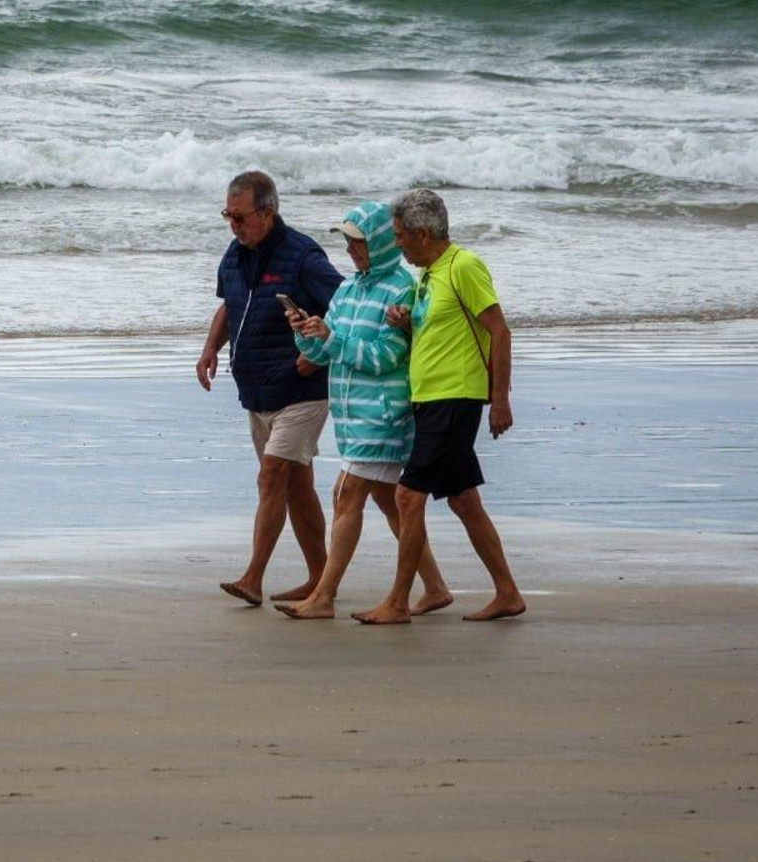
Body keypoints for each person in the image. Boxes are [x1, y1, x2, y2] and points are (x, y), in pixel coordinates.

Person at [275, 200, 453, 622]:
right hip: (351, 416)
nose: (352, 251)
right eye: (348, 243)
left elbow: (388, 356)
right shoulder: (348, 288)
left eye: (359, 242)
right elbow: (324, 351)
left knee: (345, 494)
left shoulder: (402, 289)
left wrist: (332, 342)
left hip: (385, 414)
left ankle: (324, 596)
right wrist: (306, 334)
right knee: (391, 505)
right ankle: (435, 586)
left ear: (380, 242)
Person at [375, 188, 526, 622]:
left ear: (424, 234)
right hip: (430, 400)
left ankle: (399, 602)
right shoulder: (427, 274)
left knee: (407, 496)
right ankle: (508, 592)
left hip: (455, 398)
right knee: (463, 501)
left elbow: (499, 331)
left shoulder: (464, 267)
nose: (398, 243)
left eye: (401, 235)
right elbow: (436, 337)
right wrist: (406, 326)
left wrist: (500, 399)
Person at [196, 171, 344, 607]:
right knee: (296, 487)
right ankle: (321, 579)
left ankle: (253, 578)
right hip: (257, 393)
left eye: (240, 217)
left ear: (267, 212)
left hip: (301, 390)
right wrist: (209, 349)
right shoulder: (236, 252)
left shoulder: (303, 257)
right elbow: (230, 305)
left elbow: (347, 305)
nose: (233, 225)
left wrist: (318, 353)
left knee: (271, 475)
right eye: (228, 215)